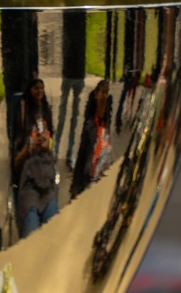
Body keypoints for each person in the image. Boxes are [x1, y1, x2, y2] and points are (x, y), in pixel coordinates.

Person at [12, 78, 59, 237]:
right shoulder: (24, 115)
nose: (40, 91)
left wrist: (48, 145)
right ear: (30, 91)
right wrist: (29, 148)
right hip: (29, 182)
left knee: (53, 231)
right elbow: (16, 162)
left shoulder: (47, 112)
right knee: (31, 233)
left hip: (47, 178)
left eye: (42, 88)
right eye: (36, 88)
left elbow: (54, 154)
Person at [70, 79, 114, 198]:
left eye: (107, 93)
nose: (104, 96)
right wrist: (76, 186)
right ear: (96, 94)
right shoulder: (89, 126)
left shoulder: (106, 123)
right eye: (102, 92)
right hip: (89, 180)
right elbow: (82, 156)